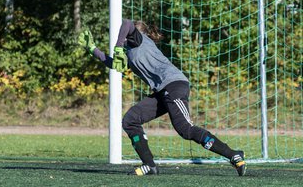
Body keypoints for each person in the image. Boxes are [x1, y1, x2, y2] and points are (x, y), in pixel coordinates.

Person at [78, 19, 246, 176]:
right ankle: (149, 165)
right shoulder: (130, 53)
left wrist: (119, 45)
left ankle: (233, 155)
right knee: (130, 120)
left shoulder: (139, 40)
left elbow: (127, 23)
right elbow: (114, 64)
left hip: (174, 85)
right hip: (162, 91)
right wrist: (93, 49)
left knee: (186, 129)